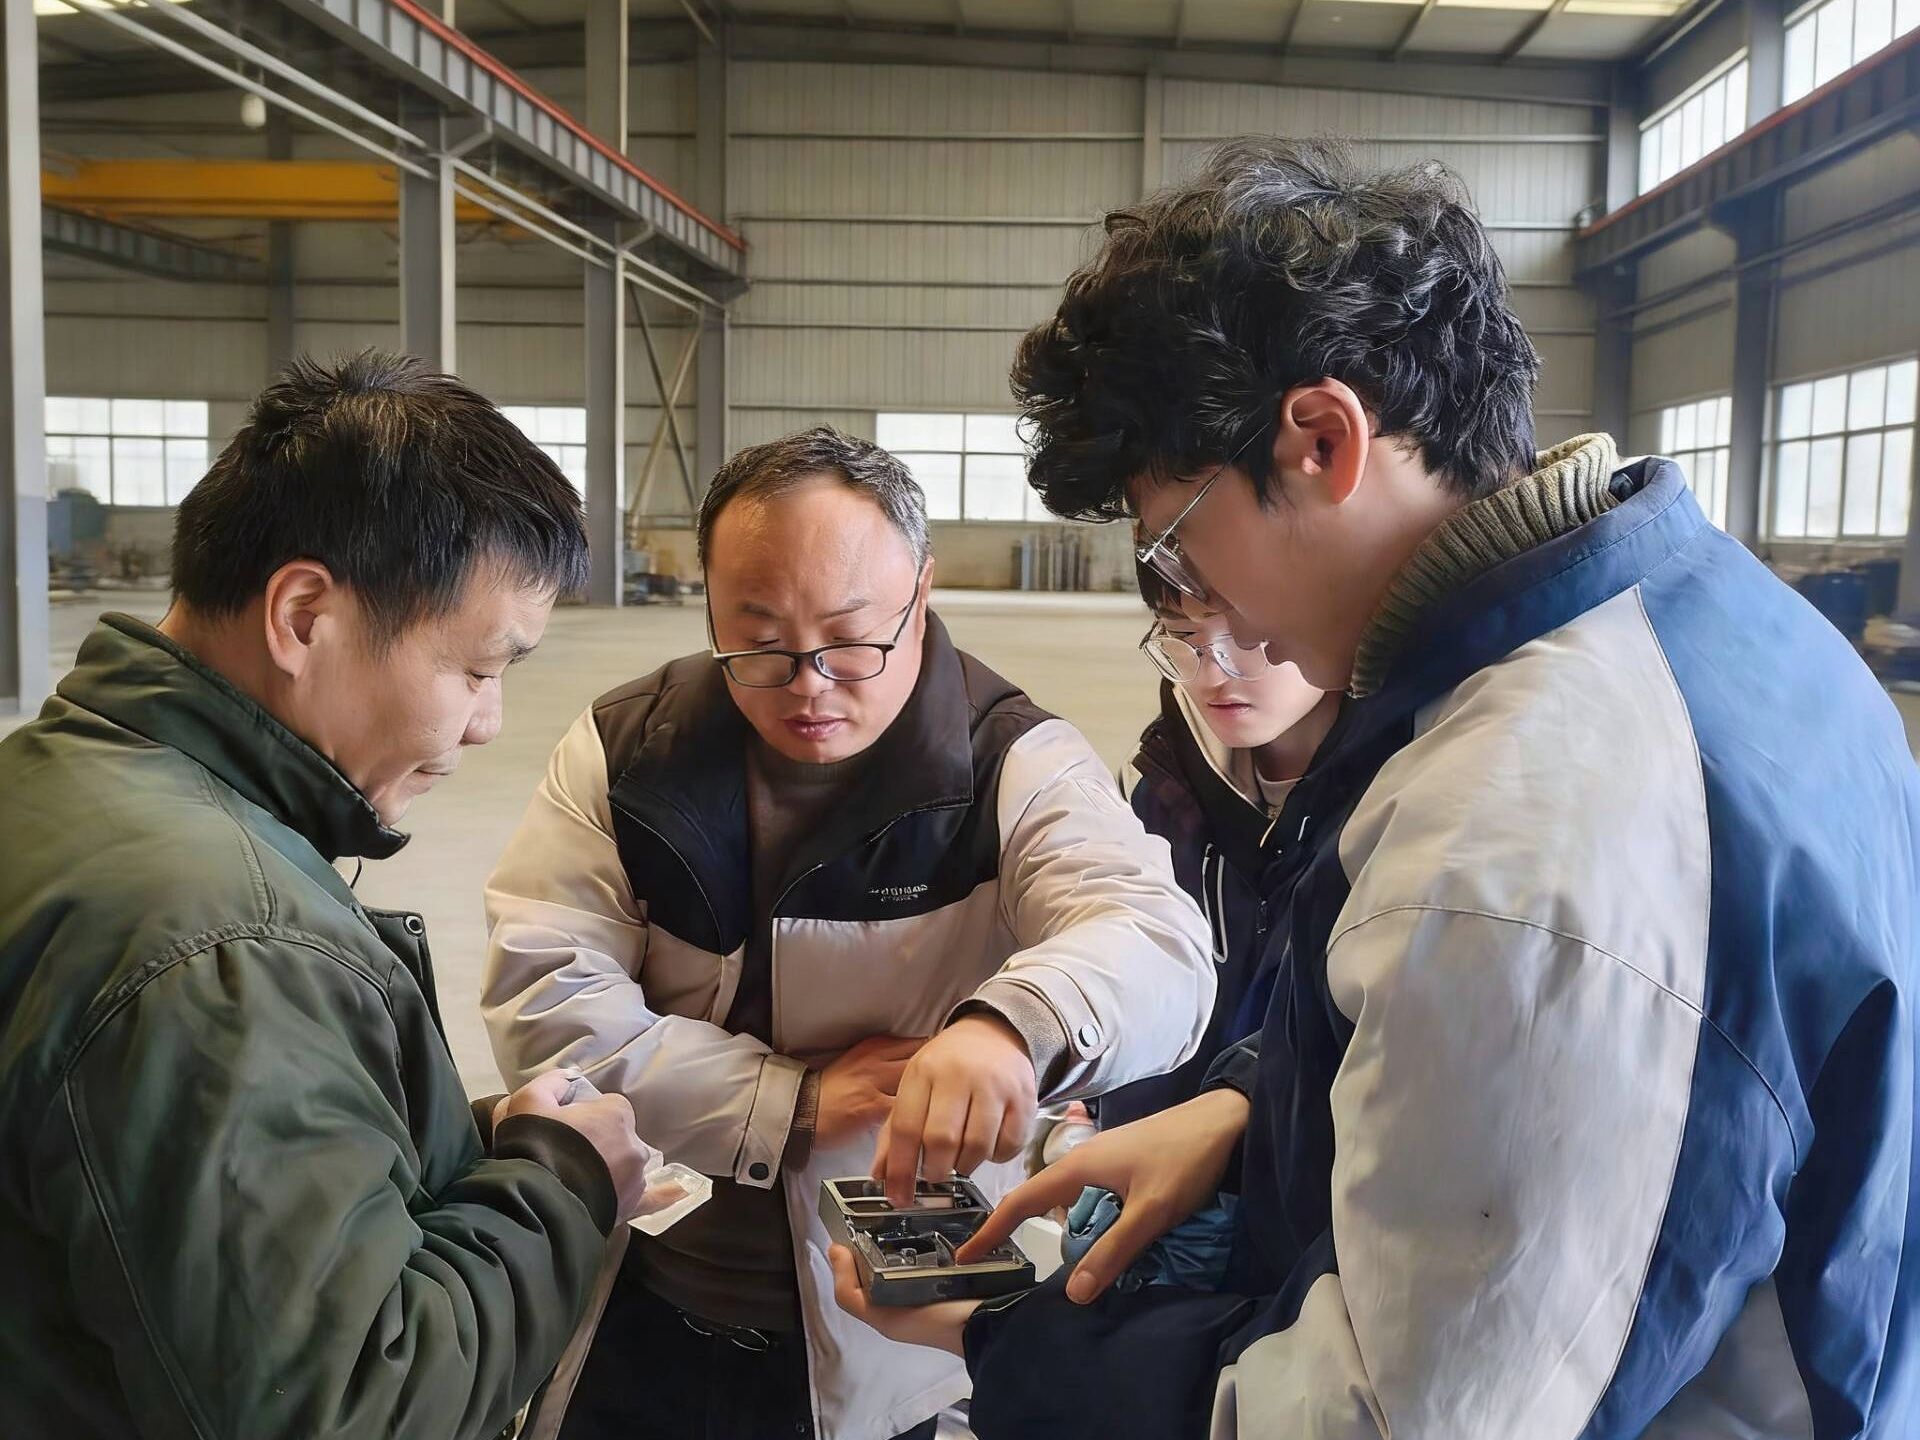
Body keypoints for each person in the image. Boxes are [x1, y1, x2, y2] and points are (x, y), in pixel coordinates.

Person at [833, 138, 1920, 1439]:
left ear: (1321, 439)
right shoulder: (1715, 618)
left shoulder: (1526, 840)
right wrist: (1243, 1114)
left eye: (1178, 538)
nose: (1205, 605)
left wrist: (1014, 1342)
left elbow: (1400, 1418)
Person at [480, 426, 1215, 1440]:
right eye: (761, 639)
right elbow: (548, 1005)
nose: (810, 683)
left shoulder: (1012, 762)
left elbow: (1153, 935)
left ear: (922, 590)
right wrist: (794, 1103)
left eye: (851, 637)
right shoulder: (625, 754)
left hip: (884, 1342)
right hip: (632, 1301)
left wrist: (1013, 1026)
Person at [0, 351, 660, 1440]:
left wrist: (453, 1146)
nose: (487, 724)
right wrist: (562, 1186)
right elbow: (355, 1402)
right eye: (477, 669)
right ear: (305, 615)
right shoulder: (231, 943)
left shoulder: (60, 781)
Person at [1103, 558, 1338, 1132]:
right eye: (1183, 637)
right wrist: (1082, 1109)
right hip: (1136, 1159)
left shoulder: (1391, 800)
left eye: (1248, 637)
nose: (1211, 676)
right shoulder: (1156, 789)